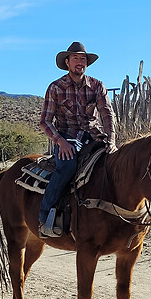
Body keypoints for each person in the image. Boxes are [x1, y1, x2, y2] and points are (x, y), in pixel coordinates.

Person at [38, 41, 117, 237]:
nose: (80, 62)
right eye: (76, 58)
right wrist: (60, 141)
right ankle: (45, 217)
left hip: (93, 136)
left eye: (83, 59)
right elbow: (45, 121)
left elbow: (107, 114)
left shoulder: (97, 86)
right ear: (67, 62)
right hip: (66, 137)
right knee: (66, 167)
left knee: (113, 165)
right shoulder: (56, 87)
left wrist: (112, 140)